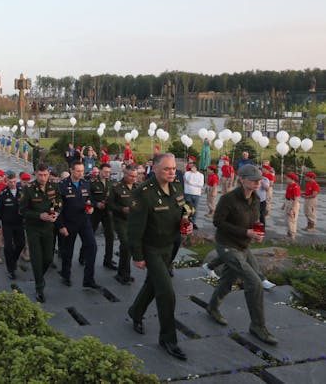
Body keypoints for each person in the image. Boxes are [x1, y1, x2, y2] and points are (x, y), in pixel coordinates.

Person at [127, 153, 192, 361]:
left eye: (173, 168)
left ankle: (135, 312)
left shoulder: (176, 187)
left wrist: (187, 221)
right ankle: (168, 339)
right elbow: (134, 229)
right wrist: (137, 256)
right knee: (166, 292)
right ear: (154, 169)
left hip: (170, 245)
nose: (172, 172)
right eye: (167, 169)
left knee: (153, 285)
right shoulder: (143, 193)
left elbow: (184, 209)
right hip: (152, 248)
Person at [206, 164, 278, 345]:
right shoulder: (228, 199)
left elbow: (255, 222)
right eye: (253, 180)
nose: (257, 183)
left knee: (228, 280)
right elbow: (218, 222)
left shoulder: (255, 199)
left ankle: (212, 307)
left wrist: (257, 233)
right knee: (254, 283)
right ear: (242, 179)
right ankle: (258, 326)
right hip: (227, 246)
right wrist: (245, 232)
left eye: (259, 180)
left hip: (243, 247)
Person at [20, 163, 61, 302]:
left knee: (48, 258)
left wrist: (57, 213)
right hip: (34, 229)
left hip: (48, 228)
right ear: (36, 174)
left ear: (48, 174)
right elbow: (23, 210)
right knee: (37, 259)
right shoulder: (28, 189)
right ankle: (39, 288)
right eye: (40, 175)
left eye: (45, 175)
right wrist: (39, 215)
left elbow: (59, 202)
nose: (43, 178)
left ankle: (39, 277)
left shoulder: (53, 186)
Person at [57, 162, 100, 290]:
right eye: (77, 171)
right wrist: (61, 226)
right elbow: (56, 208)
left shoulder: (85, 183)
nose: (80, 173)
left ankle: (89, 279)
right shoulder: (62, 186)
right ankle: (65, 275)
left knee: (92, 247)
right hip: (69, 222)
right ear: (71, 170)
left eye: (82, 171)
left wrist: (91, 207)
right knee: (67, 251)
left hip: (84, 221)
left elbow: (90, 199)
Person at [108, 164, 138, 285]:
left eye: (135, 176)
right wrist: (121, 209)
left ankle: (124, 272)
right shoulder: (117, 187)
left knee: (128, 247)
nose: (133, 179)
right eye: (131, 176)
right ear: (125, 175)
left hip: (133, 221)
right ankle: (123, 274)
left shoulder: (137, 187)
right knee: (125, 244)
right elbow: (110, 204)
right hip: (120, 220)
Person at [81, 163, 115, 270]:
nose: (107, 174)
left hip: (107, 212)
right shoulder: (92, 183)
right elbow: (87, 197)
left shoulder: (111, 183)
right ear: (100, 171)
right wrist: (96, 204)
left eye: (109, 172)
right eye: (105, 172)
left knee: (110, 236)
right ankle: (83, 256)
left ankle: (108, 260)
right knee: (89, 235)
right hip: (95, 212)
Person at [0, 172, 26, 279]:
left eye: (14, 181)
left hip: (19, 223)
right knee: (8, 247)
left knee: (21, 244)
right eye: (10, 182)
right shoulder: (3, 193)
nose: (12, 184)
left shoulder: (22, 192)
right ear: (6, 181)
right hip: (7, 224)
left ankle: (14, 259)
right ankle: (11, 269)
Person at [284, 173, 301, 240]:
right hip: (288, 202)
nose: (286, 179)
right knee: (287, 220)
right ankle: (288, 234)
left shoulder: (295, 186)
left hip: (293, 203)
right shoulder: (289, 185)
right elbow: (287, 195)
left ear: (292, 179)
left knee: (291, 220)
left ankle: (292, 236)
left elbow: (296, 198)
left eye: (287, 178)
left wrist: (293, 208)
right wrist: (284, 204)